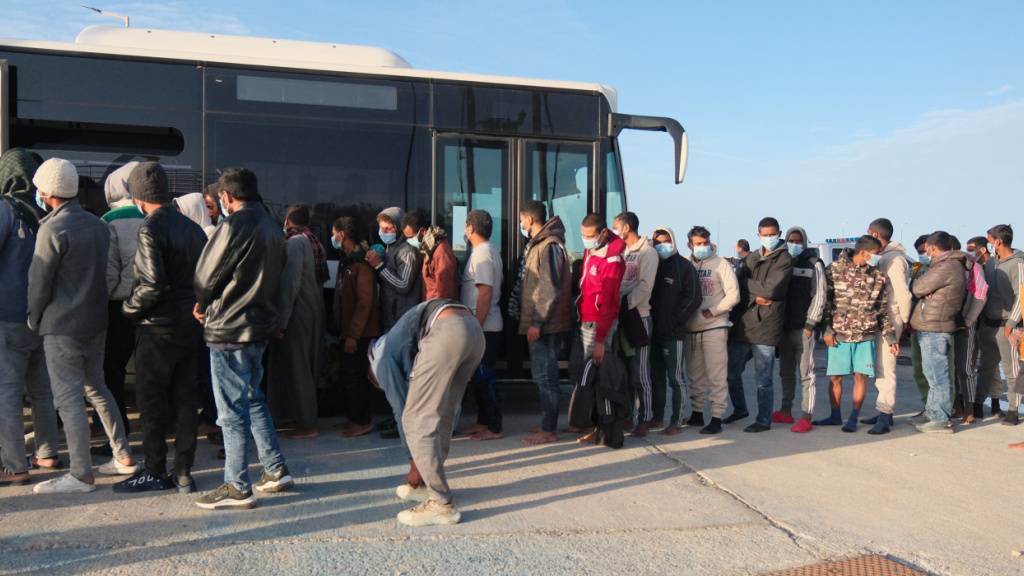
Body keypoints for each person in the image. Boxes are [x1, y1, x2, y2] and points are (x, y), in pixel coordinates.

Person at [27, 158, 139, 494]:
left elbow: (39, 282)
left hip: (62, 325)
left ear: (47, 191)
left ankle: (81, 473)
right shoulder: (96, 224)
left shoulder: (51, 229)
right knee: (97, 388)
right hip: (96, 320)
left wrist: (34, 317)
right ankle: (123, 455)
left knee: (68, 398)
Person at [193, 167, 293, 510]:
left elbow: (207, 275)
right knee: (252, 398)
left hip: (230, 326)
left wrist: (202, 303)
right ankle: (274, 468)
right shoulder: (271, 226)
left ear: (227, 196)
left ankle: (237, 485)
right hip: (259, 325)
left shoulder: (233, 225)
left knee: (231, 409)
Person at [111, 163, 207, 493]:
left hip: (157, 328)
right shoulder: (193, 229)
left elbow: (151, 285)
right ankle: (183, 471)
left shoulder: (150, 228)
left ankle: (154, 470)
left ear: (138, 197)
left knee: (152, 402)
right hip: (190, 325)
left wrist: (128, 308)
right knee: (184, 399)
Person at [369, 299, 485, 526]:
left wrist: (414, 464)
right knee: (444, 413)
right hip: (473, 330)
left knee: (416, 418)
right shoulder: (393, 341)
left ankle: (440, 503)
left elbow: (402, 409)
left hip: (447, 331)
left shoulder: (380, 361)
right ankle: (430, 486)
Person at [0, 149, 61, 486]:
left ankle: (13, 465)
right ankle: (48, 452)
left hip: (7, 316)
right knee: (42, 389)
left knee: (6, 391)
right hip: (45, 316)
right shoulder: (47, 211)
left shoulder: (5, 209)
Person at [816, 236, 896, 433]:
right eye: (876, 254)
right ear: (865, 252)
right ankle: (835, 415)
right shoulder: (834, 269)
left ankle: (853, 416)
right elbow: (825, 303)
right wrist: (826, 330)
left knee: (861, 377)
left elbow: (882, 310)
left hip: (865, 336)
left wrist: (891, 337)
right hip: (839, 335)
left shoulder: (877, 277)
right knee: (835, 378)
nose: (878, 257)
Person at [511, 201, 572, 446]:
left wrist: (536, 322)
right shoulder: (541, 244)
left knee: (547, 377)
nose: (521, 224)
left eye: (521, 219)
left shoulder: (549, 246)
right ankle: (547, 422)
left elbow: (549, 288)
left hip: (546, 325)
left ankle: (549, 429)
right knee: (542, 375)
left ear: (529, 219)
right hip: (541, 323)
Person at [727, 217, 793, 433]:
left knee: (763, 378)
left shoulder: (784, 259)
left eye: (772, 234)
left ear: (779, 233)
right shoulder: (753, 256)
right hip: (744, 324)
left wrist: (750, 287)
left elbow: (771, 290)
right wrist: (754, 295)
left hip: (766, 325)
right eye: (764, 235)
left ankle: (763, 419)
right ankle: (740, 409)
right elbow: (737, 284)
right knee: (731, 372)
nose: (769, 238)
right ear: (758, 235)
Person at [267, 205, 326, 440]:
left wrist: (280, 322)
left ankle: (307, 423)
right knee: (304, 367)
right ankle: (295, 416)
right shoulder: (314, 241)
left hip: (297, 315)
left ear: (288, 221)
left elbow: (289, 285)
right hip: (313, 312)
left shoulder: (294, 243)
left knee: (297, 369)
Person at [857, 218, 913, 434]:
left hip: (891, 319)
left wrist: (904, 322)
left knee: (886, 367)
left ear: (875, 234)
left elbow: (903, 294)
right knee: (879, 366)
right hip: (880, 318)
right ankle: (883, 411)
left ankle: (885, 413)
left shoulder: (895, 260)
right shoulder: (884, 258)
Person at [575, 213, 626, 444]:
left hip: (599, 325)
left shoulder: (613, 261)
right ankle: (596, 426)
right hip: (586, 319)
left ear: (603, 233)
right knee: (591, 377)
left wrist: (599, 340)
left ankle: (605, 427)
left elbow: (609, 304)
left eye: (589, 236)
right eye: (583, 236)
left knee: (599, 378)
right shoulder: (591, 251)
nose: (586, 241)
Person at [909, 231, 966, 433]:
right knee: (932, 374)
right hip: (932, 326)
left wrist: (921, 287)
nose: (927, 254)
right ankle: (933, 414)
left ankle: (941, 419)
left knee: (937, 376)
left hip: (935, 327)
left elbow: (918, 288)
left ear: (932, 248)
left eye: (927, 250)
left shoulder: (946, 266)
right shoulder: (949, 265)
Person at [685, 227, 740, 435]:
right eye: (698, 243)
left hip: (714, 327)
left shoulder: (721, 264)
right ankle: (697, 413)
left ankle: (716, 416)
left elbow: (733, 295)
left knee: (717, 375)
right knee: (695, 375)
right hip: (691, 329)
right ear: (690, 245)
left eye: (705, 242)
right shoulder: (687, 264)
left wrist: (714, 311)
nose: (702, 246)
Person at [101, 161, 143, 435]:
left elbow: (109, 273)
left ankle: (119, 427)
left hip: (119, 306)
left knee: (112, 370)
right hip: (152, 304)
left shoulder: (109, 221)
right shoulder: (153, 216)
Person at [332, 216, 382, 438]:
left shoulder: (361, 264)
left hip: (361, 333)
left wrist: (353, 335)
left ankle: (362, 420)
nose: (332, 238)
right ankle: (354, 418)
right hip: (349, 330)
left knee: (357, 377)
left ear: (341, 234)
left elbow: (364, 303)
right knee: (349, 376)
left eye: (334, 233)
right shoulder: (348, 261)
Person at [649, 226, 701, 435]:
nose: (662, 245)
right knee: (656, 377)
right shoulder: (652, 264)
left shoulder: (684, 267)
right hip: (653, 332)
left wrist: (677, 319)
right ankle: (657, 416)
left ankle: (676, 420)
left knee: (675, 378)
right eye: (658, 242)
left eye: (665, 240)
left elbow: (693, 297)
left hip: (674, 333)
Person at [777, 227, 827, 433]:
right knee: (785, 372)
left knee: (806, 373)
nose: (794, 244)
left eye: (798, 240)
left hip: (803, 329)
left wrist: (810, 323)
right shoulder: (782, 262)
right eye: (791, 240)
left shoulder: (814, 264)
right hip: (783, 328)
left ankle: (806, 415)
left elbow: (820, 295)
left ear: (804, 242)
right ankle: (785, 411)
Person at [613, 211, 659, 437]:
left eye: (616, 226)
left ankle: (646, 417)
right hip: (622, 317)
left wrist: (625, 303)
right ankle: (627, 416)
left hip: (638, 317)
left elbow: (644, 287)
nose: (615, 231)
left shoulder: (647, 253)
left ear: (626, 227)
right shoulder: (623, 252)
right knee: (624, 373)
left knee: (640, 373)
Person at [460, 210, 504, 440]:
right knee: (478, 377)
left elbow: (485, 293)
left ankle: (494, 426)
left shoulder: (483, 254)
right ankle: (483, 421)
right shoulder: (481, 252)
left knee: (485, 377)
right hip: (481, 325)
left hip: (485, 327)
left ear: (470, 228)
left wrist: (476, 327)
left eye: (465, 225)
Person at [983, 224, 1023, 425]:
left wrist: (1012, 322)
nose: (989, 244)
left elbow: (1022, 296)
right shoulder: (991, 264)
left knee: (1012, 370)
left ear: (998, 241)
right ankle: (980, 405)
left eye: (990, 240)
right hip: (989, 324)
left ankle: (1014, 410)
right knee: (987, 368)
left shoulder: (1018, 263)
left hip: (1009, 326)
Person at [367, 206, 423, 330]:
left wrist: (379, 266)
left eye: (388, 229)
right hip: (390, 318)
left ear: (398, 228)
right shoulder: (390, 247)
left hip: (402, 320)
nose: (383, 232)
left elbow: (403, 284)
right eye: (381, 228)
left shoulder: (407, 251)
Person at [954, 237, 988, 425]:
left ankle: (969, 409)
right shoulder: (950, 266)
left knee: (965, 368)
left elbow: (980, 295)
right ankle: (957, 407)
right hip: (949, 325)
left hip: (966, 325)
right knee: (952, 368)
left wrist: (968, 321)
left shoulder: (973, 266)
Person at [967, 235, 1002, 418]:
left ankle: (994, 403)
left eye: (972, 250)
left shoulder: (994, 266)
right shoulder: (978, 266)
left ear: (982, 250)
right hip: (980, 322)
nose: (969, 254)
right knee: (978, 365)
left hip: (991, 322)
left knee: (991, 365)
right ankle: (978, 403)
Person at [403, 208, 458, 300]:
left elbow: (446, 293)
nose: (409, 241)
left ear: (423, 231)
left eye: (411, 237)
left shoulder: (441, 252)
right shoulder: (429, 249)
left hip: (438, 310)